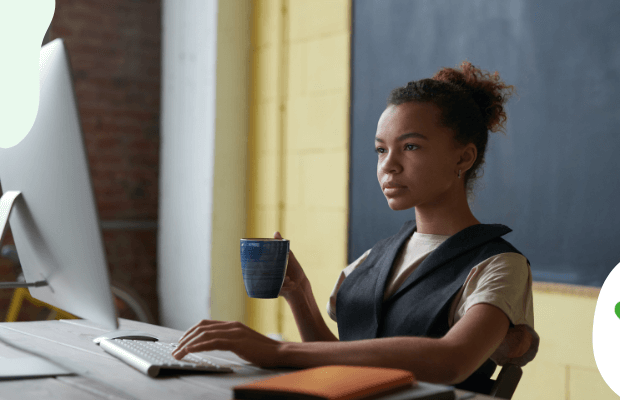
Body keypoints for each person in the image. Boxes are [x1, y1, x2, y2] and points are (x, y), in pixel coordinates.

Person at [172, 61, 539, 395]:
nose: (388, 166)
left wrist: (278, 350)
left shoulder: (499, 264)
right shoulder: (376, 256)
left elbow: (451, 359)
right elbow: (338, 359)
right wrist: (300, 296)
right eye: (381, 150)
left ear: (464, 157)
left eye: (410, 146)